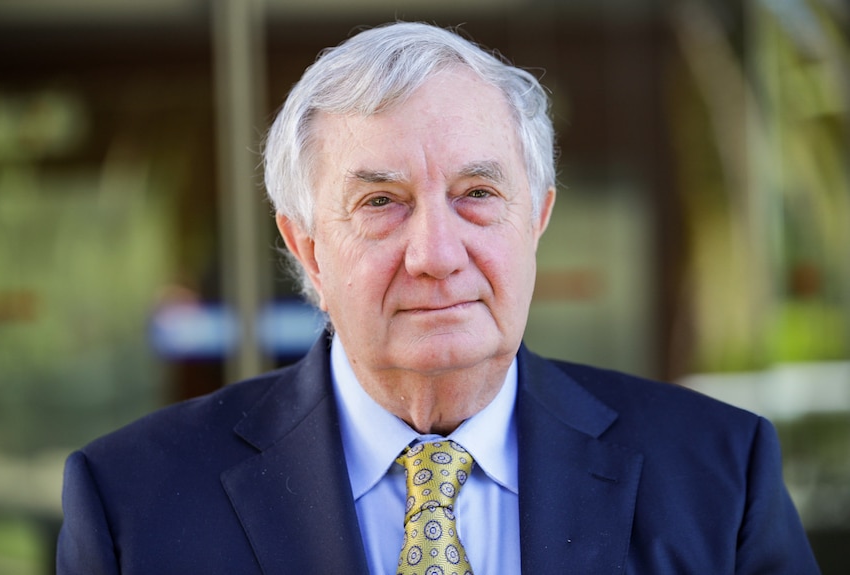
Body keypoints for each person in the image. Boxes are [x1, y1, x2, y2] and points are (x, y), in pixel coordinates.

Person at [57, 21, 820, 574]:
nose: (435, 255)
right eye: (381, 201)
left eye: (477, 192)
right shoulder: (134, 505)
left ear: (538, 219)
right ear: (307, 249)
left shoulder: (720, 480)